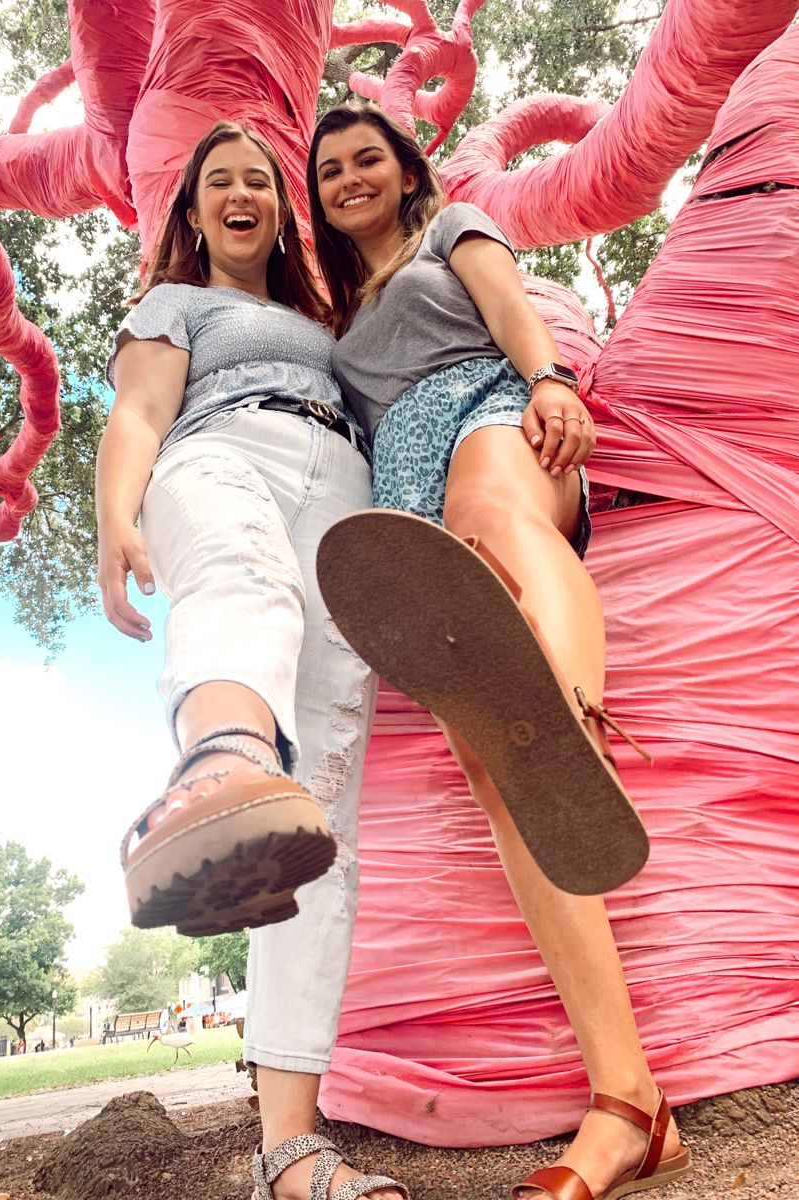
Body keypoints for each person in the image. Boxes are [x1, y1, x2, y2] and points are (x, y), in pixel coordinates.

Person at [306, 101, 692, 1200]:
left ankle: (568, 711)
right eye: (329, 170)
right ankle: (629, 1106)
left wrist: (552, 379)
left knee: (496, 516)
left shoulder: (452, 228)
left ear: (405, 170)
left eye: (368, 158)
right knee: (493, 759)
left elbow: (509, 306)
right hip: (406, 494)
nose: (349, 178)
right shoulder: (333, 311)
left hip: (492, 413)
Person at [96, 122, 406, 1200]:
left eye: (260, 181)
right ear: (194, 211)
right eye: (219, 181)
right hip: (222, 451)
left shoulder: (328, 319)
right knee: (243, 582)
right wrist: (115, 518)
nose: (241, 193)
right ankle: (217, 766)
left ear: (282, 210)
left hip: (344, 492)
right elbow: (139, 411)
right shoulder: (178, 305)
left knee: (322, 810)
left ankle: (291, 1149)